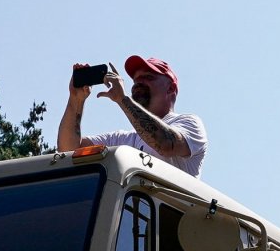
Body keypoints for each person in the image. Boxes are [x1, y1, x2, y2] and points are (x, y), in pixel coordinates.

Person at [59, 56, 208, 178]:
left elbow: (165, 144)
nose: (138, 83)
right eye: (135, 80)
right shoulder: (125, 140)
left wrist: (122, 99)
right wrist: (76, 99)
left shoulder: (190, 123)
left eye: (148, 77)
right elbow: (69, 150)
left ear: (170, 88)